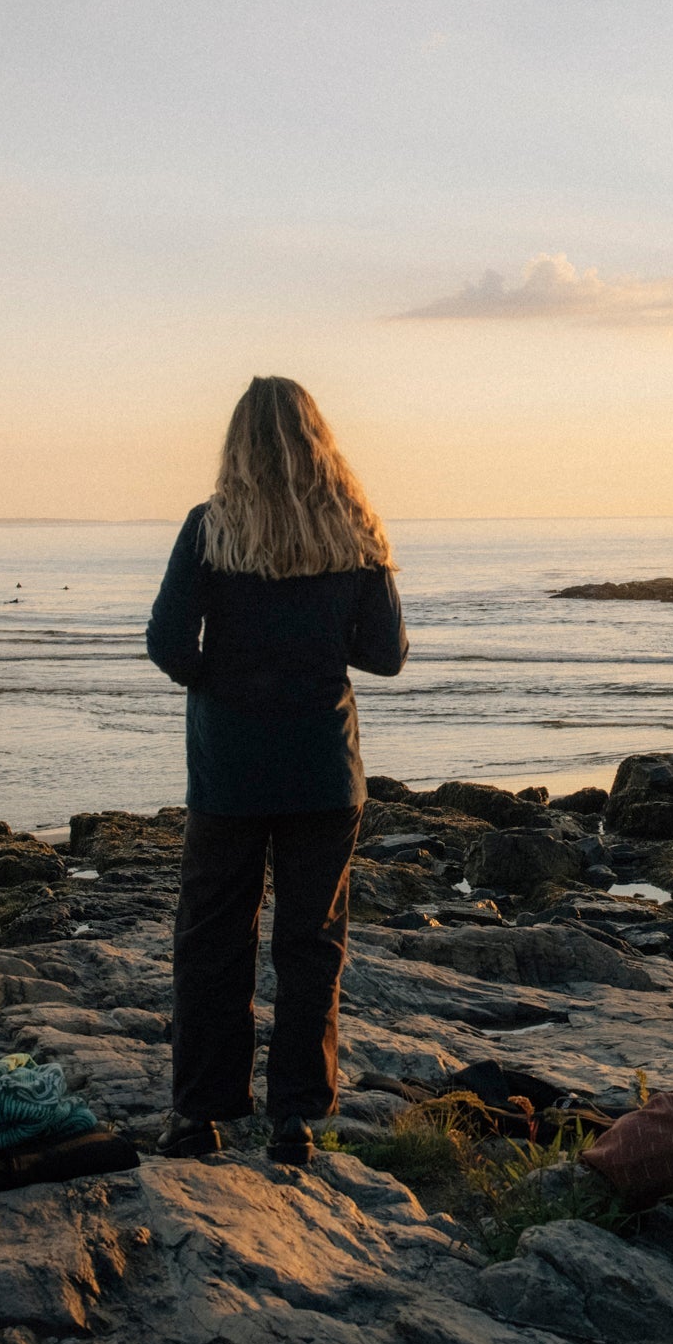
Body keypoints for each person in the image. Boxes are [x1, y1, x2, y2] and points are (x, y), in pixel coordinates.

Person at [145, 377, 408, 1163]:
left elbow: (165, 642)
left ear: (237, 444)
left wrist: (220, 673)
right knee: (311, 942)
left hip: (229, 767)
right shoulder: (354, 530)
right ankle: (295, 1119)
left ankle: (200, 1114)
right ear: (318, 440)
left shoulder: (210, 528)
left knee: (211, 940)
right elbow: (387, 654)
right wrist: (318, 651)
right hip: (323, 771)